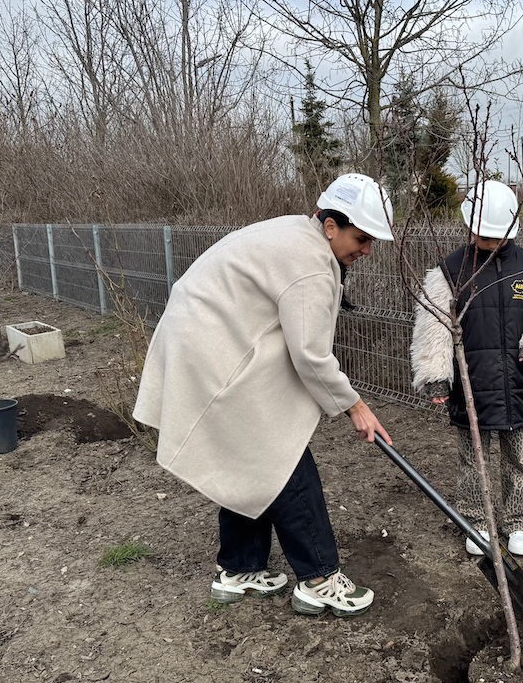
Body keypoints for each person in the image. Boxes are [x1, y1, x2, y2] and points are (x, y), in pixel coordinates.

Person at [134, 173, 393, 618]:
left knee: (248, 457)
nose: (366, 250)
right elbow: (310, 355)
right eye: (362, 239)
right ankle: (320, 579)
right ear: (331, 225)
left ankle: (240, 569)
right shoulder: (310, 264)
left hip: (205, 338)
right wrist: (356, 406)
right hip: (211, 348)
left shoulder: (298, 233)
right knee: (281, 456)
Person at [410, 180, 523, 557]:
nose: (489, 241)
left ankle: (520, 522)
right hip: (471, 385)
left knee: (519, 459)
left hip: (517, 383)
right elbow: (432, 323)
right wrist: (436, 373)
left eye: (496, 236)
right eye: (482, 235)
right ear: (470, 227)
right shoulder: (450, 271)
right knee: (472, 460)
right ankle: (475, 521)